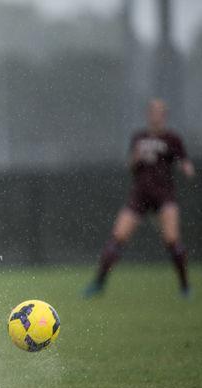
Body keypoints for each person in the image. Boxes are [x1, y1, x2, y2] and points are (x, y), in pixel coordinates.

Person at [84, 99, 196, 298]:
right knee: (117, 237)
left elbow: (185, 162)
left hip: (164, 196)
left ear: (165, 115)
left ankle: (185, 287)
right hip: (140, 195)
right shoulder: (139, 137)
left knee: (172, 239)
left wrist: (186, 167)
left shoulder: (172, 139)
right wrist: (135, 158)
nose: (155, 115)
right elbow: (130, 166)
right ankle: (98, 284)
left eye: (159, 112)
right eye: (152, 112)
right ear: (148, 114)